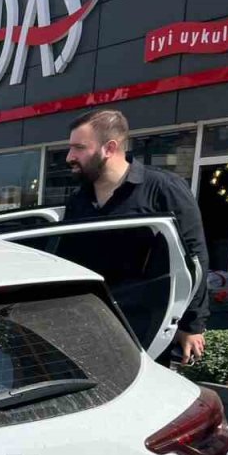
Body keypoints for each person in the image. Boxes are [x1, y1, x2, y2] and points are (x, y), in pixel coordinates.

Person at [62, 108, 209, 364]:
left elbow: (194, 258)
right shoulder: (78, 199)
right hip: (89, 323)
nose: (69, 157)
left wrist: (191, 325)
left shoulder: (163, 189)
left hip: (146, 328)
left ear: (109, 148)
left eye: (79, 148)